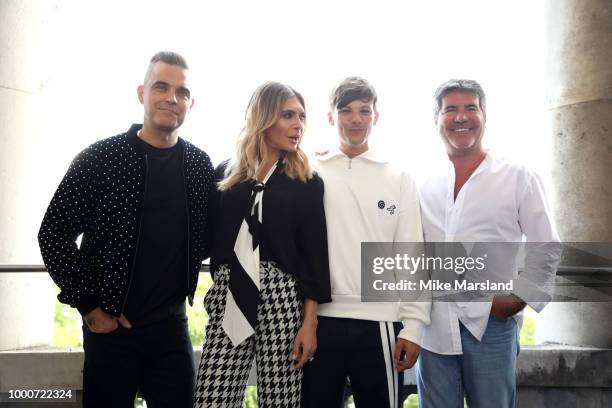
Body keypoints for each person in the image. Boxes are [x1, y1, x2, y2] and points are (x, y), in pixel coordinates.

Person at [38, 51, 215, 408]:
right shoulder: (102, 158)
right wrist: (89, 308)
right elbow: (53, 233)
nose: (172, 98)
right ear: (141, 93)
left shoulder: (198, 165)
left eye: (182, 92)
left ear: (191, 103)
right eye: (161, 87)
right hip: (111, 331)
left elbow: (210, 236)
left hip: (171, 330)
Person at [416, 79, 561, 407]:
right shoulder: (424, 183)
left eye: (471, 108)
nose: (461, 117)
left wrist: (518, 298)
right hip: (434, 326)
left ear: (484, 115)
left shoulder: (517, 176)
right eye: (450, 109)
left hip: (492, 327)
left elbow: (546, 245)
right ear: (437, 119)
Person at [194, 82, 331, 408]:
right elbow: (204, 239)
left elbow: (315, 256)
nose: (298, 124)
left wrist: (309, 324)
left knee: (281, 402)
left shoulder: (306, 180)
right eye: (287, 115)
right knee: (212, 399)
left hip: (281, 298)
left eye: (301, 116)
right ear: (263, 117)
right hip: (231, 293)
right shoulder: (226, 174)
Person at [301, 77, 431, 408]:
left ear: (375, 116)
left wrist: (413, 327)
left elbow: (411, 255)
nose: (355, 119)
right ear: (331, 117)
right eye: (346, 111)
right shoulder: (310, 171)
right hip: (320, 320)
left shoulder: (398, 177)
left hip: (380, 323)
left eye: (364, 111)